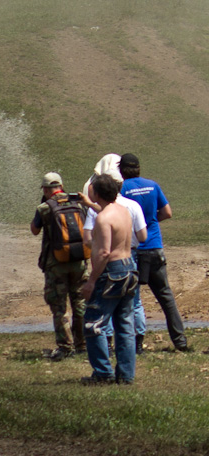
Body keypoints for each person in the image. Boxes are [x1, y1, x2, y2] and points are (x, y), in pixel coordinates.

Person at [119, 153, 189, 352]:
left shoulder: (122, 189)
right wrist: (151, 222)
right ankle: (180, 341)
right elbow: (167, 212)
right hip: (155, 247)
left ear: (121, 170)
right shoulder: (152, 185)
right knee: (166, 297)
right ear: (139, 167)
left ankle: (134, 344)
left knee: (132, 298)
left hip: (134, 249)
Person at [80, 154, 148, 354]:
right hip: (130, 259)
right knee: (132, 307)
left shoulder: (99, 213)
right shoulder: (131, 207)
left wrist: (91, 279)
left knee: (101, 310)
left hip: (109, 265)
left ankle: (105, 354)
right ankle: (135, 348)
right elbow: (142, 236)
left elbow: (95, 245)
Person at [81, 174, 139, 384]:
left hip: (111, 271)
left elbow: (104, 252)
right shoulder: (122, 211)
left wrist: (91, 281)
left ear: (97, 192)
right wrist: (90, 205)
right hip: (129, 267)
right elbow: (107, 214)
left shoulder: (103, 218)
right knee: (124, 324)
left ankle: (103, 373)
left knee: (93, 324)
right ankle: (126, 375)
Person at [30, 172, 87, 361]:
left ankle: (64, 346)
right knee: (79, 303)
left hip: (56, 264)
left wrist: (42, 207)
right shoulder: (77, 203)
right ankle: (82, 344)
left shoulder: (45, 208)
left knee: (59, 306)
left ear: (46, 190)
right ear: (61, 186)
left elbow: (34, 230)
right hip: (79, 261)